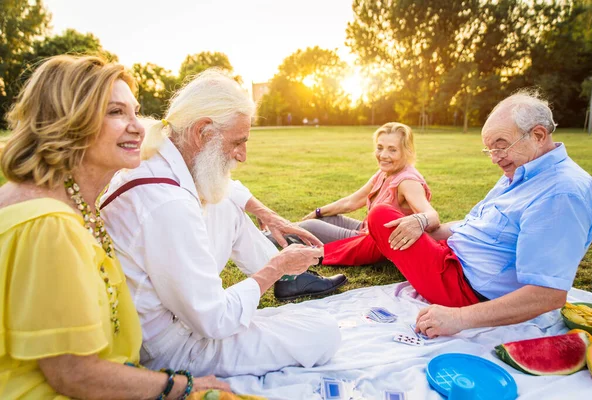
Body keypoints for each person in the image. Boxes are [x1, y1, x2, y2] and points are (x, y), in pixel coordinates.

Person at [0, 56, 229, 399]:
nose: (138, 126)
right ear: (68, 121)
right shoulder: (50, 225)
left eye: (135, 111)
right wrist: (180, 386)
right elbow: (75, 375)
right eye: (115, 112)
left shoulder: (69, 203)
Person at [100, 69, 343, 378]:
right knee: (323, 332)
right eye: (237, 142)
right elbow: (214, 320)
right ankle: (285, 274)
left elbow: (226, 190)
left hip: (170, 310)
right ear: (202, 132)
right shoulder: (169, 205)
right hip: (175, 349)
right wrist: (276, 267)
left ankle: (291, 280)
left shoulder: (158, 151)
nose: (242, 156)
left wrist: (267, 214)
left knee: (225, 203)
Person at [366, 91, 592, 338]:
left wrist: (458, 318)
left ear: (539, 135)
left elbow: (548, 294)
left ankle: (327, 252)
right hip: (454, 257)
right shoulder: (522, 170)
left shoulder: (561, 193)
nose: (494, 159)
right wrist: (426, 228)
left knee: (381, 216)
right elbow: (478, 224)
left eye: (500, 146)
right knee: (395, 220)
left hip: (464, 289)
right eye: (489, 150)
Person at [300, 122, 440, 267]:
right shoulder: (385, 172)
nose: (383, 155)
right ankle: (281, 231)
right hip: (364, 229)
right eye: (380, 148)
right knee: (325, 218)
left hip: (370, 242)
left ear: (407, 151)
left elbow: (432, 216)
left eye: (392, 150)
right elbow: (351, 202)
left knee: (308, 227)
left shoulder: (408, 182)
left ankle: (276, 237)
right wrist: (318, 212)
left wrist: (418, 222)